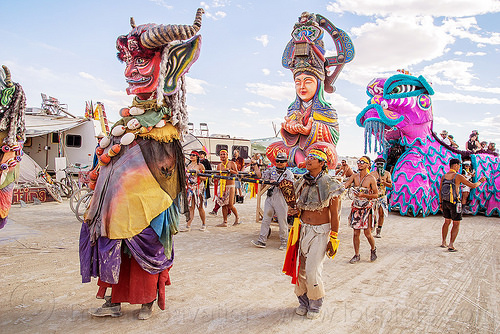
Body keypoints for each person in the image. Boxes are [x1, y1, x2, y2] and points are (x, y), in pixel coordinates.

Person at [80, 9, 204, 320]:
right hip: (117, 211)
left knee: (146, 245)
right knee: (116, 245)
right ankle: (115, 301)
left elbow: (163, 177)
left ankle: (147, 300)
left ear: (169, 65)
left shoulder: (164, 130)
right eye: (128, 62)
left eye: (142, 61)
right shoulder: (129, 121)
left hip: (149, 214)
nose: (131, 71)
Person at [288, 149, 343, 319]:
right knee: (301, 269)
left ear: (322, 163)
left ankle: (316, 302)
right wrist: (293, 210)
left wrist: (333, 237)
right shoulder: (302, 182)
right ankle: (303, 301)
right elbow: (298, 207)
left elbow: (335, 214)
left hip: (321, 232)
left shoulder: (331, 184)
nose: (309, 160)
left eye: (313, 158)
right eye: (308, 157)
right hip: (303, 229)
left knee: (312, 269)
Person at [439, 158, 486, 252]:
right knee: (456, 223)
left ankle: (444, 242)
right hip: (455, 203)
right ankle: (451, 245)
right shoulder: (457, 176)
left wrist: (441, 203)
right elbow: (472, 185)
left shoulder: (444, 176)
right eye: (459, 165)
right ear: (455, 165)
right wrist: (481, 181)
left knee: (446, 222)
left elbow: (440, 191)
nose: (460, 167)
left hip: (445, 202)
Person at [251, 152, 294, 250]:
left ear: (286, 162)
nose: (279, 163)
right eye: (277, 161)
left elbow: (290, 187)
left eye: (281, 161)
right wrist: (255, 165)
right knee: (266, 219)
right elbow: (260, 176)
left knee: (282, 221)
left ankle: (284, 242)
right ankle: (262, 240)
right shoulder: (271, 170)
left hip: (282, 198)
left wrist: (277, 183)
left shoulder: (289, 174)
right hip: (271, 197)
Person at [345, 156, 379, 263]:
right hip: (356, 208)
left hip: (366, 209)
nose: (359, 164)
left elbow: (376, 194)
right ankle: (356, 255)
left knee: (367, 233)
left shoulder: (371, 179)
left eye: (362, 162)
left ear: (368, 165)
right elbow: (345, 185)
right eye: (358, 162)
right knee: (356, 233)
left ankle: (373, 249)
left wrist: (363, 194)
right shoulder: (355, 176)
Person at [180, 151, 207, 232]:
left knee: (200, 207)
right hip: (190, 188)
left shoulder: (200, 166)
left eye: (193, 155)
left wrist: (197, 175)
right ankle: (188, 225)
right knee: (191, 207)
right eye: (190, 155)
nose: (191, 156)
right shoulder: (188, 166)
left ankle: (204, 224)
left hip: (198, 187)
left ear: (197, 157)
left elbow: (205, 178)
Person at [215, 149, 240, 227]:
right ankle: (225, 221)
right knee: (223, 205)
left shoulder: (232, 163)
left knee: (230, 204)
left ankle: (237, 218)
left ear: (227, 155)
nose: (222, 156)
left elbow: (236, 173)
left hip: (230, 185)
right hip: (222, 186)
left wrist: (229, 170)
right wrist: (219, 173)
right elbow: (217, 177)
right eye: (221, 154)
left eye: (224, 154)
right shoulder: (219, 165)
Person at [370, 157, 393, 238]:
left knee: (381, 214)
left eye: (381, 164)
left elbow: (390, 185)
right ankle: (372, 227)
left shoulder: (387, 174)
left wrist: (384, 182)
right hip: (374, 196)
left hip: (382, 196)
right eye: (378, 164)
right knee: (373, 214)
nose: (380, 166)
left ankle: (379, 231)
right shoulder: (372, 174)